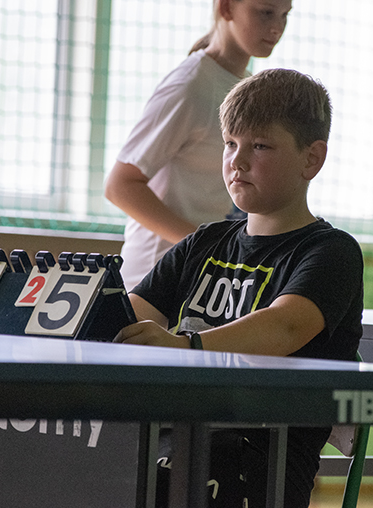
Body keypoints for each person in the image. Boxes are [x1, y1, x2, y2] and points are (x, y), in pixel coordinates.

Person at [114, 69, 364, 508]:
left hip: (260, 461)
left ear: (312, 159)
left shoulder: (332, 252)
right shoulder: (203, 242)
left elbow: (284, 326)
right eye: (230, 143)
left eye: (260, 146)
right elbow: (127, 315)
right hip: (175, 438)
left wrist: (185, 345)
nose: (238, 160)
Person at [104, 0, 292, 290]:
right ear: (226, 8)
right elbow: (120, 186)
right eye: (266, 12)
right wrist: (207, 248)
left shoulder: (242, 88)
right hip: (154, 279)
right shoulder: (189, 86)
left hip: (203, 277)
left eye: (285, 15)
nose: (277, 26)